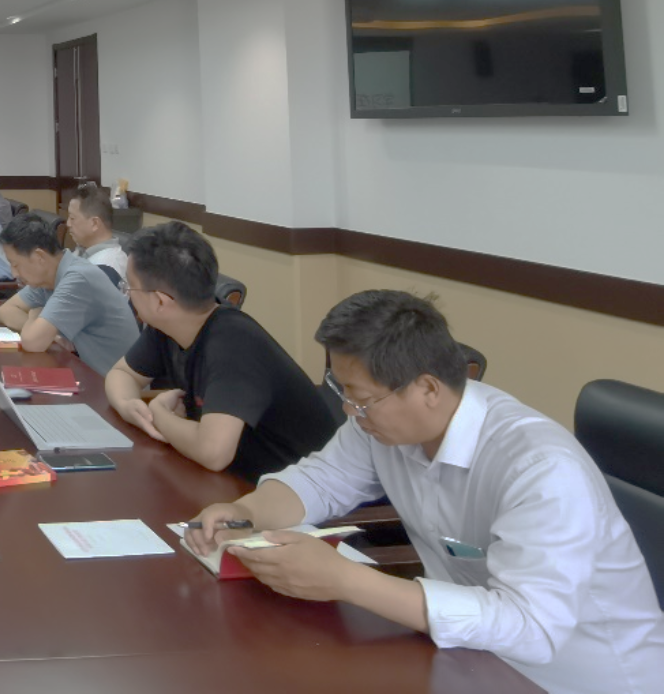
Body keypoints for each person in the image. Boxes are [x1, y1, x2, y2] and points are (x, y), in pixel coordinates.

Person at [185, 291, 664, 694]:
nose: (350, 411)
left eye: (361, 398)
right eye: (343, 392)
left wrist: (347, 581)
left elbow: (533, 628)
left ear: (428, 389)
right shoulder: (379, 425)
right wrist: (244, 511)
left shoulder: (539, 469)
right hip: (468, 659)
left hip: (579, 678)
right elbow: (321, 480)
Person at [104, 222, 336, 480]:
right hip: (236, 480)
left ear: (160, 301)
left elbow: (214, 452)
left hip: (306, 490)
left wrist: (158, 415)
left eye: (129, 287)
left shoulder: (234, 345)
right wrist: (129, 406)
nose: (128, 295)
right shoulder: (169, 326)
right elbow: (122, 374)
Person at [0, 213, 139, 374]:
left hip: (109, 381)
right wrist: (40, 329)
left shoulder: (78, 279)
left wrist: (34, 316)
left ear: (39, 257)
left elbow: (33, 343)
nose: (13, 273)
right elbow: (6, 310)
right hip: (83, 370)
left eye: (15, 264)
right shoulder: (47, 277)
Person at [65, 183, 128, 285]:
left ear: (94, 223)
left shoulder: (106, 267)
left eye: (72, 218)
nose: (68, 224)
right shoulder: (82, 250)